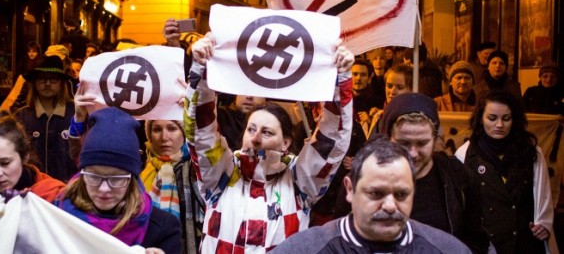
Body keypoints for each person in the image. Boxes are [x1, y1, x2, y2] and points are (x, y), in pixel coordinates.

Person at [186, 33, 354, 253]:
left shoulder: (300, 182)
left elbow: (332, 140)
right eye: (251, 129)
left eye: (266, 132)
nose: (255, 138)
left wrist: (340, 79)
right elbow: (200, 131)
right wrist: (202, 71)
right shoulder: (221, 175)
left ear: (285, 142)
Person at [271, 140, 472, 253]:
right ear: (350, 189)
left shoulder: (448, 250)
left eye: (402, 194)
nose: (391, 206)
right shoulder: (303, 250)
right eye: (376, 193)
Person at [56, 107, 182, 252]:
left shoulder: (163, 229)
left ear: (132, 179)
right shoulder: (56, 216)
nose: (104, 188)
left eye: (116, 179)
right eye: (94, 177)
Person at [380, 92, 490, 253]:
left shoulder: (459, 176)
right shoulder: (364, 179)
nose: (413, 153)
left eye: (422, 143)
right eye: (404, 143)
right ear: (388, 138)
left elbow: (476, 240)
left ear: (435, 138)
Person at [455, 90, 558, 254]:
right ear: (481, 119)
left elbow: (543, 194)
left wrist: (544, 223)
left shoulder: (531, 152)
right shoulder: (464, 154)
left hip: (525, 243)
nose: (499, 125)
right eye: (492, 118)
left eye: (506, 118)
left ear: (514, 119)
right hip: (486, 245)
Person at [140, 119, 205, 253]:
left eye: (172, 129)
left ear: (185, 133)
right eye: (157, 130)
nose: (164, 137)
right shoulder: (138, 169)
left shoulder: (199, 172)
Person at [14, 56, 79, 182]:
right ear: (34, 83)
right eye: (42, 79)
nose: (47, 84)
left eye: (53, 80)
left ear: (61, 83)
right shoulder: (22, 116)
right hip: (34, 189)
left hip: (68, 189)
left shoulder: (76, 114)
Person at [364, 63, 413, 138]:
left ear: (411, 90)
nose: (392, 91)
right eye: (389, 86)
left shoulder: (417, 119)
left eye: (400, 87)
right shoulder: (379, 117)